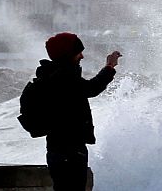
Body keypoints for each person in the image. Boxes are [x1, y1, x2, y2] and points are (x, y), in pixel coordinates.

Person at [35, 32, 120, 191]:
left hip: (57, 148)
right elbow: (91, 88)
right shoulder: (63, 77)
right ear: (68, 55)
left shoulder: (52, 74)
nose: (82, 56)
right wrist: (109, 67)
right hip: (69, 150)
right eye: (78, 52)